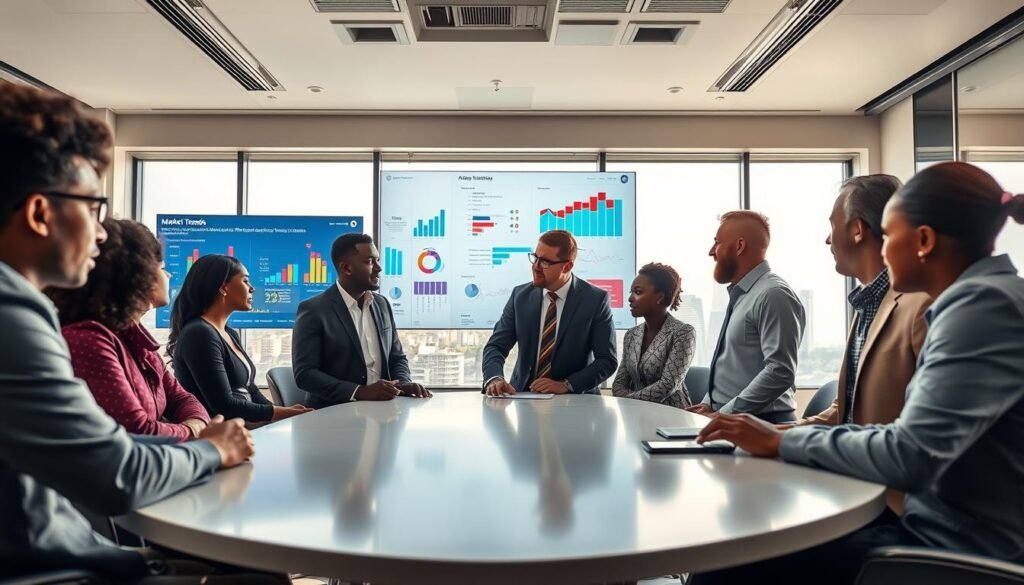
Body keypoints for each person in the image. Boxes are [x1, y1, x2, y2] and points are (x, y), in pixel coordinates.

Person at [0, 81, 280, 583]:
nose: (102, 232)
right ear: (41, 214)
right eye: (92, 208)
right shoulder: (13, 313)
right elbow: (117, 474)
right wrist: (213, 447)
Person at [694, 162, 1024, 584]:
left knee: (731, 562)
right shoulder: (974, 300)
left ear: (922, 240)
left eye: (891, 232)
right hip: (927, 526)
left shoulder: (982, 306)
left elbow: (911, 454)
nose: (884, 248)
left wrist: (784, 439)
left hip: (947, 546)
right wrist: (779, 437)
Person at [47, 218, 210, 441]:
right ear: (138, 276)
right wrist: (193, 430)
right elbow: (138, 432)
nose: (168, 275)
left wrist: (194, 425)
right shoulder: (88, 339)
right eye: (162, 268)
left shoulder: (138, 341)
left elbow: (184, 400)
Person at [687, 211, 805, 423]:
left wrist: (723, 414)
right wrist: (709, 403)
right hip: (735, 420)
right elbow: (731, 365)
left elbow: (780, 372)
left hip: (764, 423)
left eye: (717, 243)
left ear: (739, 246)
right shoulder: (744, 295)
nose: (711, 252)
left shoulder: (773, 294)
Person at [292, 233, 429, 408]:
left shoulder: (382, 304)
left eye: (377, 260)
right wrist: (359, 391)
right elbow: (305, 374)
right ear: (347, 268)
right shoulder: (314, 310)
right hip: (333, 414)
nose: (379, 268)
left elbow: (397, 357)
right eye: (370, 261)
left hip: (383, 410)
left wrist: (402, 383)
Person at [169, 254, 310, 424]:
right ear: (223, 288)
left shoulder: (229, 333)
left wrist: (282, 414)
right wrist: (280, 413)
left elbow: (250, 389)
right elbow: (224, 406)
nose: (252, 288)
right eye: (245, 281)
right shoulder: (199, 334)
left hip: (244, 426)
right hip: (222, 434)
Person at [482, 230, 618, 396]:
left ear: (567, 266)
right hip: (524, 396)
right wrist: (494, 378)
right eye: (535, 258)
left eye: (545, 262)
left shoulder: (595, 300)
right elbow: (496, 346)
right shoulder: (520, 296)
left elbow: (607, 360)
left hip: (575, 401)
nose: (535, 266)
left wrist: (566, 385)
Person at [612, 262, 695, 408]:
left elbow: (667, 385)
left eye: (638, 292)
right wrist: (630, 402)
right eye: (631, 292)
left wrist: (629, 399)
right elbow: (619, 384)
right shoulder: (631, 335)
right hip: (637, 415)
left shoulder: (683, 332)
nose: (630, 298)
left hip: (673, 415)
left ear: (660, 297)